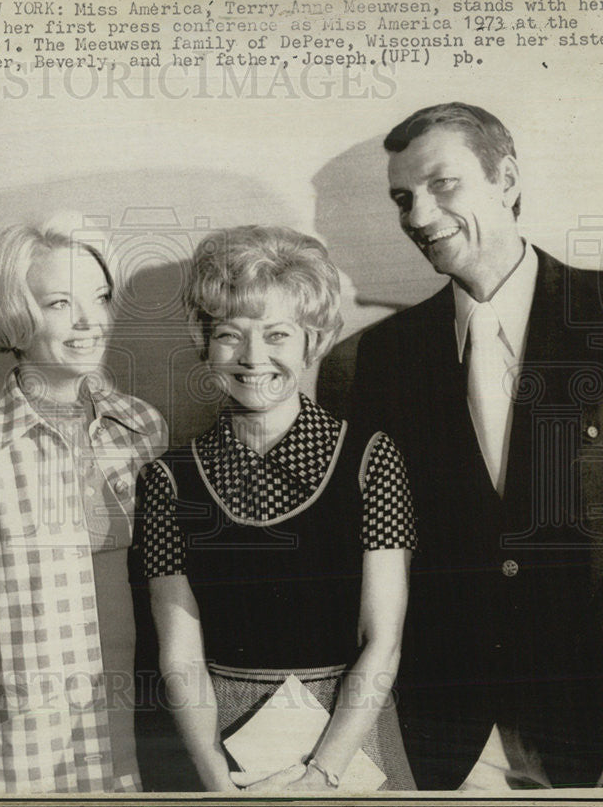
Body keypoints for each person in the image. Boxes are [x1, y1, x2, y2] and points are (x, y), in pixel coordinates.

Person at [346, 102, 603, 789]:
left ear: (506, 176)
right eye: (402, 198)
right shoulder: (383, 356)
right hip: (446, 741)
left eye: (441, 184)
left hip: (601, 732)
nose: (418, 217)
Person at [133, 225, 417, 792]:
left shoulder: (371, 461)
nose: (253, 357)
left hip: (352, 739)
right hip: (223, 741)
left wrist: (322, 775)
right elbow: (181, 652)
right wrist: (217, 780)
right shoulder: (168, 480)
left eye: (278, 334)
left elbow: (382, 639)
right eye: (231, 335)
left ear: (315, 340)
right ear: (203, 339)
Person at [0, 225, 168, 793]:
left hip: (147, 730)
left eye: (98, 298)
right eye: (61, 303)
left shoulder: (143, 429)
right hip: (38, 752)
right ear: (14, 316)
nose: (90, 321)